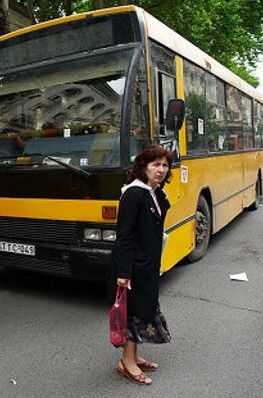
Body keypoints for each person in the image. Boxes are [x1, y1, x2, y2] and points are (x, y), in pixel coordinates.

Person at [110, 145, 173, 386]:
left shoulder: (153, 193)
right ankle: (127, 363)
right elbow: (124, 236)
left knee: (142, 310)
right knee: (133, 315)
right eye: (155, 165)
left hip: (147, 265)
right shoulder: (133, 194)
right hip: (132, 267)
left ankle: (133, 356)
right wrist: (124, 273)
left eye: (165, 166)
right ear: (143, 167)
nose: (161, 170)